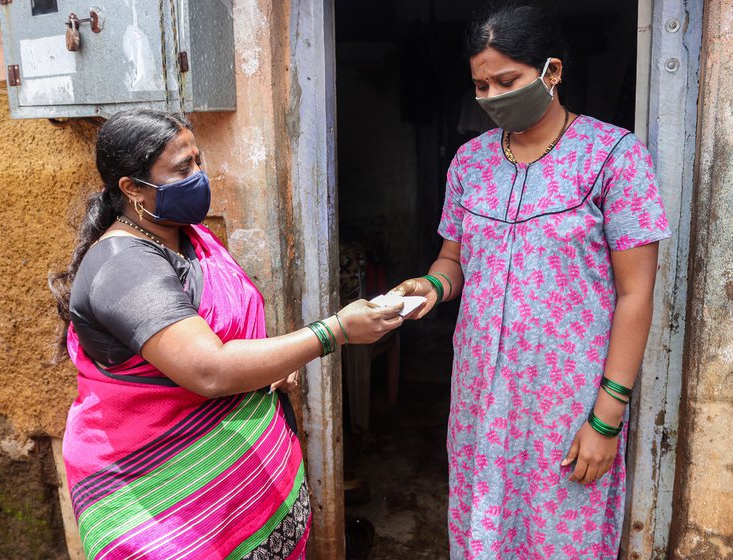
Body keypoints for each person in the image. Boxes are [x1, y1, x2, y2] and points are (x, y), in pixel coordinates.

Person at [49, 109, 403, 560]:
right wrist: (335, 331)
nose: (199, 175)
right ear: (131, 188)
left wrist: (270, 366)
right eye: (182, 169)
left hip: (238, 496)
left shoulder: (188, 238)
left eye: (198, 160)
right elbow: (209, 369)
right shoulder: (123, 265)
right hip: (162, 503)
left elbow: (228, 334)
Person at [391, 3, 672, 558]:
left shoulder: (614, 158)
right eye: (480, 85)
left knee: (561, 529)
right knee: (483, 524)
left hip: (566, 399)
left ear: (553, 71)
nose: (493, 96)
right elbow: (453, 261)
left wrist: (608, 414)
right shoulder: (470, 163)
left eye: (507, 80)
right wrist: (431, 286)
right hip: (480, 392)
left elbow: (636, 293)